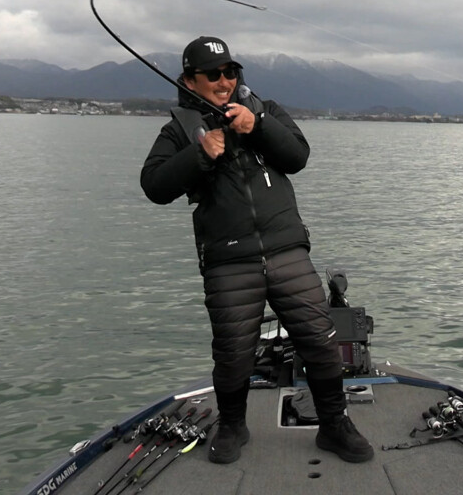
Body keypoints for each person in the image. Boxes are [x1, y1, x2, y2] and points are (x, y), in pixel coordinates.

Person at [140, 36, 374, 464]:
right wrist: (199, 153)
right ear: (190, 80)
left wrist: (258, 125)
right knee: (233, 354)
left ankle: (334, 425)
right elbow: (153, 185)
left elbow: (298, 155)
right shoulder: (179, 129)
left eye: (230, 71)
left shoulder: (264, 108)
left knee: (321, 342)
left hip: (287, 249)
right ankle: (233, 425)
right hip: (228, 260)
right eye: (214, 74)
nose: (224, 81)